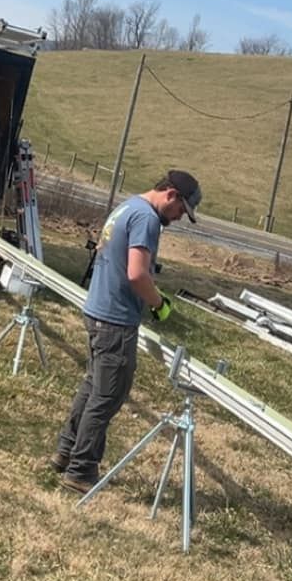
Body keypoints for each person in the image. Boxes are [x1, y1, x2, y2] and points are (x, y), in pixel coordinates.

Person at [53, 169, 202, 492]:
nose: (177, 219)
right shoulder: (147, 219)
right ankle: (81, 471)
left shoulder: (128, 206)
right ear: (172, 195)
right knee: (107, 397)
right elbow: (136, 274)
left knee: (93, 387)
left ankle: (66, 451)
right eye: (180, 211)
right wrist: (158, 302)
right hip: (115, 320)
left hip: (98, 310)